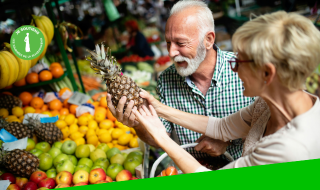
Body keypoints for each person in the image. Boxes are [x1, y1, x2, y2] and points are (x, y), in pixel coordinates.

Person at [130, 10, 320, 174]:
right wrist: (160, 109)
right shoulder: (267, 105)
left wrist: (162, 138)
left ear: (267, 73)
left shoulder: (288, 148)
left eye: (239, 62)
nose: (233, 68)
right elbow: (221, 127)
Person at [107, 0, 254, 166]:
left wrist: (227, 141)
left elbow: (265, 124)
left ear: (208, 40)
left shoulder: (244, 69)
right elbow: (161, 137)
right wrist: (138, 125)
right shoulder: (166, 80)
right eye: (168, 43)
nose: (171, 53)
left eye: (180, 43)